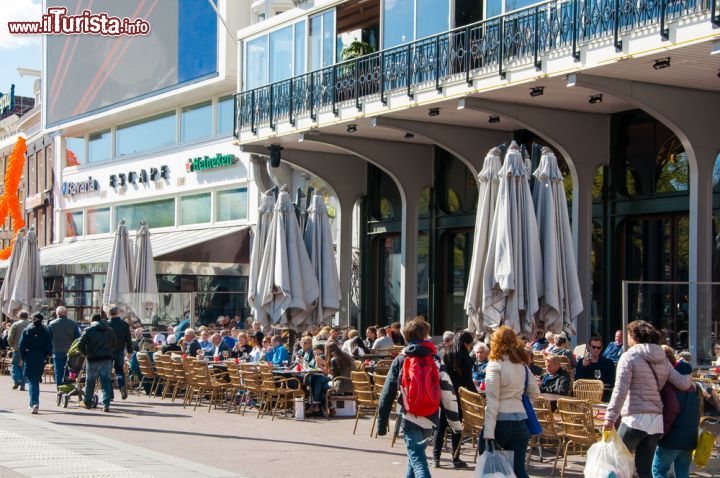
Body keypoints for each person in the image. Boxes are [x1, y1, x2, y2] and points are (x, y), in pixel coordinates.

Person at [603, 320, 693, 478]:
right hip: (655, 421)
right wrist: (689, 370)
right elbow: (683, 383)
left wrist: (610, 417)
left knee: (612, 463)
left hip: (634, 418)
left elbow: (620, 390)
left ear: (634, 336)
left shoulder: (629, 357)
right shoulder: (662, 357)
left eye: (628, 335)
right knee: (645, 471)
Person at [377, 318, 461, 478]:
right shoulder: (435, 360)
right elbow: (448, 393)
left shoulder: (401, 360)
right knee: (414, 456)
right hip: (430, 417)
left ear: (406, 336)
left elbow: (387, 393)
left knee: (417, 459)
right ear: (425, 335)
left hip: (409, 416)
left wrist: (382, 424)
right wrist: (455, 423)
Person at [480, 326, 540, 478]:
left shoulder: (494, 365)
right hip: (520, 422)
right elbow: (535, 393)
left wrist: (488, 432)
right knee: (519, 470)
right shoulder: (522, 367)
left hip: (499, 423)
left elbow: (492, 400)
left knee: (492, 471)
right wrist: (519, 400)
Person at [651, 347, 699, 478]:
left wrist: (662, 432)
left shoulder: (669, 383)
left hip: (672, 436)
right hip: (689, 436)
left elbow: (672, 409)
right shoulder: (691, 382)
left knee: (658, 470)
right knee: (682, 471)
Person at [433, 331, 474, 469]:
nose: (471, 347)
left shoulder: (445, 353)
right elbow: (468, 382)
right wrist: (476, 396)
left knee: (441, 426)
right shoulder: (465, 357)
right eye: (470, 344)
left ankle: (436, 458)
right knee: (456, 426)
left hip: (443, 392)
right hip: (457, 396)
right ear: (465, 343)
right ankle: (455, 459)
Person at [78, 314, 117, 412]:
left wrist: (85, 353)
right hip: (106, 359)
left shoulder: (88, 330)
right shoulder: (110, 331)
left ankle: (87, 402)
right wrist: (109, 352)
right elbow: (115, 344)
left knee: (90, 382)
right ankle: (106, 404)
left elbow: (80, 344)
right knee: (106, 381)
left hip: (93, 359)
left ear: (92, 320)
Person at [17, 313, 52, 414]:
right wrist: (44, 356)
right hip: (40, 356)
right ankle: (32, 402)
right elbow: (49, 347)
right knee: (35, 379)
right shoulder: (45, 331)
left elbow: (21, 346)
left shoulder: (27, 331)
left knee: (32, 381)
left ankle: (34, 402)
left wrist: (23, 357)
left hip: (29, 355)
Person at [48, 306, 81, 388]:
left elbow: (48, 338)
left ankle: (59, 389)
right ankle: (67, 388)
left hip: (57, 350)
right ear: (66, 313)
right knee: (69, 370)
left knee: (58, 371)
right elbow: (78, 338)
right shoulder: (73, 323)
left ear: (57, 313)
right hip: (70, 351)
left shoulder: (52, 324)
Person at [107, 306, 133, 400]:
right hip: (120, 350)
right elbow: (128, 340)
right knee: (119, 371)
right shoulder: (124, 324)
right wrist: (129, 351)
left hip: (108, 351)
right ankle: (122, 386)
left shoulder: (107, 324)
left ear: (109, 314)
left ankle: (110, 394)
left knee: (108, 372)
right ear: (118, 313)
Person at [8, 311, 31, 390]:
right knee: (25, 366)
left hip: (17, 348)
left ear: (19, 316)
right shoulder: (31, 324)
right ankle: (23, 385)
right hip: (28, 349)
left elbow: (10, 337)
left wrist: (12, 345)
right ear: (27, 316)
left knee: (15, 364)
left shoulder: (15, 324)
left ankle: (17, 379)